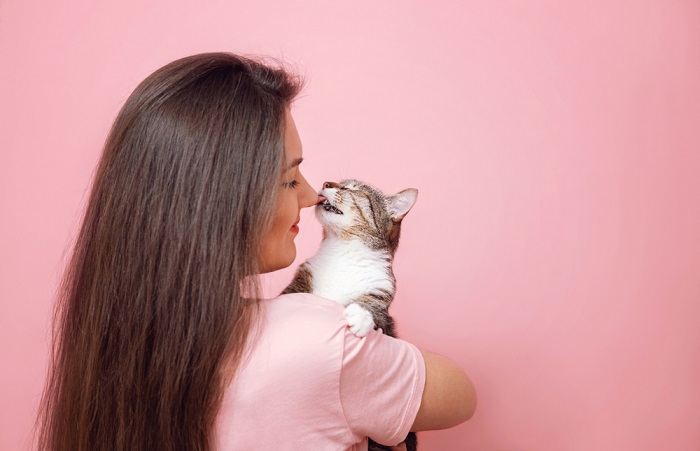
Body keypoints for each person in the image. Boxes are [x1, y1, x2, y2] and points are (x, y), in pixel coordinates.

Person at [34, 52, 477, 451]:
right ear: (223, 199)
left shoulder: (106, 345)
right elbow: (460, 396)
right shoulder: (315, 337)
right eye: (289, 179)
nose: (311, 196)